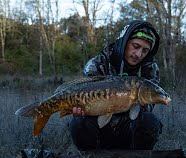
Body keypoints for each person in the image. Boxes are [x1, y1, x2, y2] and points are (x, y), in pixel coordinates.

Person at [69, 20, 162, 150]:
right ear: (124, 42)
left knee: (150, 121)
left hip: (128, 128)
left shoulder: (150, 69)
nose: (138, 54)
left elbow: (148, 107)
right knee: (78, 122)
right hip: (99, 127)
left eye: (145, 50)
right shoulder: (98, 63)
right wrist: (81, 110)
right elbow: (84, 92)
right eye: (136, 46)